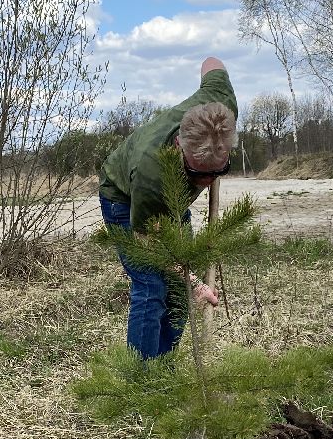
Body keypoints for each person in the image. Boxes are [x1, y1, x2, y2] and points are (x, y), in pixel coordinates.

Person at [98, 56, 238, 361]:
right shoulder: (152, 175)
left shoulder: (221, 105)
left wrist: (187, 284)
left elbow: (212, 63)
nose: (206, 181)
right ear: (179, 146)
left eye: (217, 172)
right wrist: (196, 283)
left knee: (177, 295)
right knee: (152, 287)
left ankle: (164, 369)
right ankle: (143, 382)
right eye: (198, 174)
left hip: (169, 203)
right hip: (124, 197)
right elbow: (151, 246)